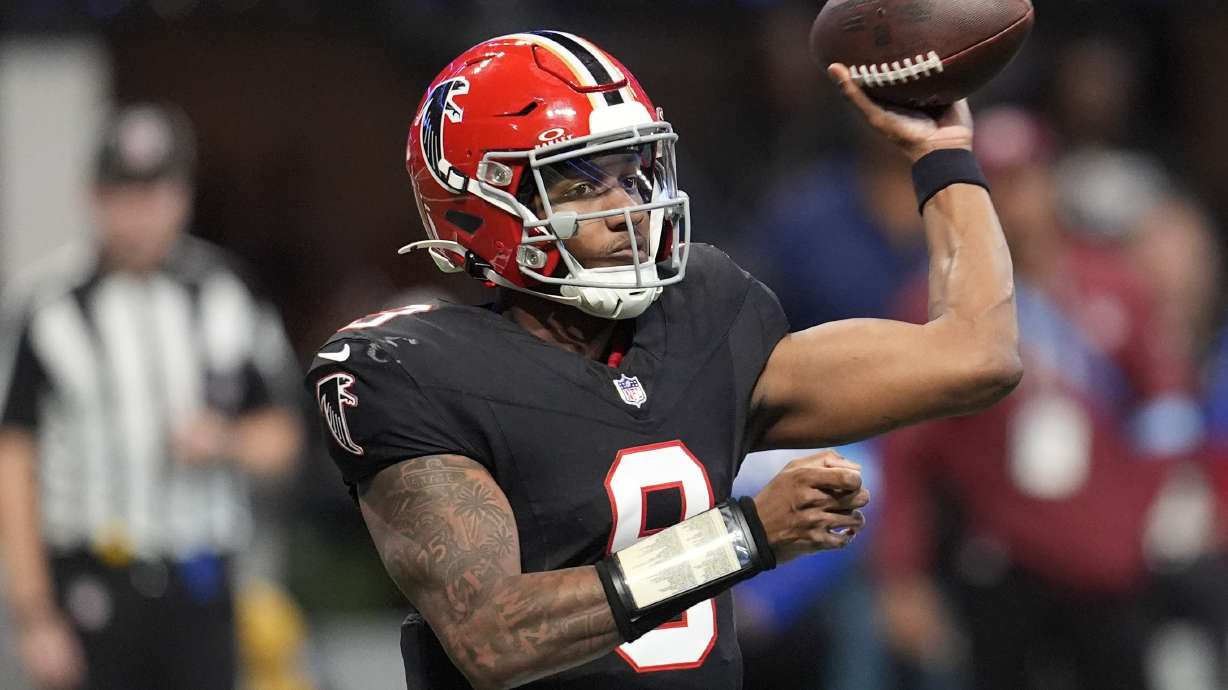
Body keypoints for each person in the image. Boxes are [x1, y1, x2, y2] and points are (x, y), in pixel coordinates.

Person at [305, 31, 1021, 689]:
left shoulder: (701, 318)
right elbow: (494, 635)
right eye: (581, 184)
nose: (626, 209)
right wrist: (745, 535)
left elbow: (976, 355)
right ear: (481, 205)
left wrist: (942, 154)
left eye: (633, 174)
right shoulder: (410, 369)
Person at [873, 107, 1202, 690]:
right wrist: (902, 573)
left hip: (1109, 563)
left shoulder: (1114, 285)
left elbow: (1167, 407)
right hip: (1001, 557)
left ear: (1050, 181)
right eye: (995, 185)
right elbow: (906, 453)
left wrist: (1144, 509)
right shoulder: (937, 301)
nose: (1014, 202)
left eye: (1024, 180)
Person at [0, 104, 303, 690]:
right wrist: (33, 611)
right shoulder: (46, 303)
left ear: (182, 197)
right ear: (94, 198)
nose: (139, 215)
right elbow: (14, 457)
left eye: (154, 195)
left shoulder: (228, 292)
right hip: (90, 580)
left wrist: (225, 441)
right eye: (123, 196)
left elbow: (283, 436)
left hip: (201, 580)